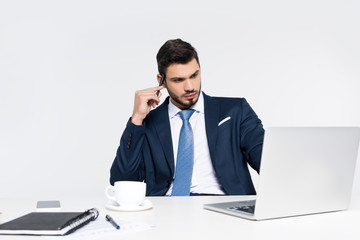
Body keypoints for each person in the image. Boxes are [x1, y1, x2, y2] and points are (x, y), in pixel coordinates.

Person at [110, 39, 264, 196]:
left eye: (194, 75)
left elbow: (267, 161)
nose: (190, 87)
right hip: (165, 209)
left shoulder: (235, 110)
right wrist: (136, 119)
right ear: (161, 80)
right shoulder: (149, 123)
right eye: (178, 80)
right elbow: (122, 181)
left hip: (222, 206)